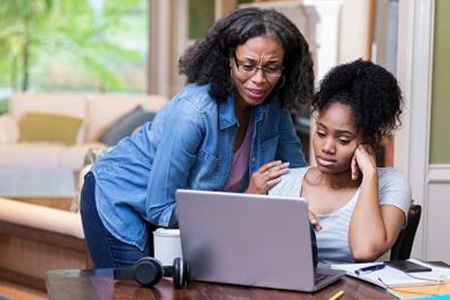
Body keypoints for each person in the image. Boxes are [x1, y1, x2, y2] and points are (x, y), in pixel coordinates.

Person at [81, 7, 315, 268]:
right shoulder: (193, 113)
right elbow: (160, 209)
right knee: (136, 294)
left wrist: (327, 190)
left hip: (187, 218)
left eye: (272, 68)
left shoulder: (273, 107)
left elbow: (296, 174)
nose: (259, 79)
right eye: (247, 66)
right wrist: (248, 198)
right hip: (121, 199)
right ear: (229, 59)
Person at [270, 59, 412, 266]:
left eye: (343, 140)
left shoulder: (391, 184)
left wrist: (370, 174)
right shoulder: (283, 181)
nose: (327, 147)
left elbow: (364, 250)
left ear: (368, 140)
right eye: (321, 133)